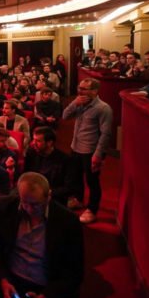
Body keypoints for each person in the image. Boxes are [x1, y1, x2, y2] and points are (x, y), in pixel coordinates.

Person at [0, 172, 84, 298]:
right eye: (25, 203)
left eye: (36, 205)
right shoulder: (5, 207)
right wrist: (3, 280)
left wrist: (44, 297)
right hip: (10, 276)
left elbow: (74, 272)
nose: (29, 209)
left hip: (46, 284)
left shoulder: (68, 221)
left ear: (48, 197)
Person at [62, 78, 113, 224]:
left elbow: (106, 134)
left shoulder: (103, 108)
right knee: (75, 177)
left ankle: (92, 209)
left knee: (92, 181)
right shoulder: (79, 103)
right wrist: (74, 103)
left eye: (84, 89)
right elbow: (65, 116)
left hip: (91, 150)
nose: (80, 91)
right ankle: (78, 199)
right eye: (79, 88)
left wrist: (98, 155)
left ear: (95, 91)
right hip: (75, 147)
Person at [24, 127, 73, 205]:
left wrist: (47, 193)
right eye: (33, 140)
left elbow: (68, 188)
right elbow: (25, 174)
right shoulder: (31, 153)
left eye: (38, 141)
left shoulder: (65, 160)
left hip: (53, 198)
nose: (33, 143)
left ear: (49, 143)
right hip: (32, 194)